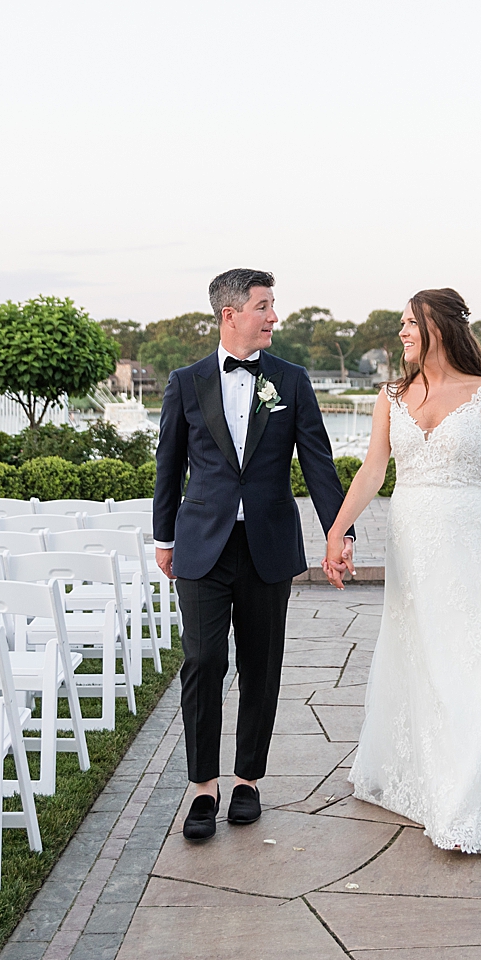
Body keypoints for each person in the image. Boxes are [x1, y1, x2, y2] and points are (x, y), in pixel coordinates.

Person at [323, 288, 481, 854]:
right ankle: (421, 772)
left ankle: (467, 788)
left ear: (435, 326)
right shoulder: (390, 396)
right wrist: (338, 529)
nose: (400, 334)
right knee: (419, 652)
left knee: (469, 657)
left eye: (407, 324)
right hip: (412, 539)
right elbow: (373, 470)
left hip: (469, 537)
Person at [154, 268, 355, 841]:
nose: (273, 317)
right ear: (231, 314)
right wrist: (163, 539)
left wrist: (338, 532)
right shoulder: (186, 381)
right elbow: (168, 465)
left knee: (261, 665)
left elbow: (318, 460)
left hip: (267, 543)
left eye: (273, 306)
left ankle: (246, 781)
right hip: (201, 546)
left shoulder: (291, 381)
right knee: (202, 662)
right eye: (265, 306)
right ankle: (201, 787)